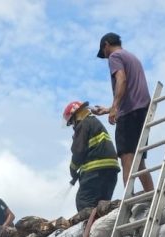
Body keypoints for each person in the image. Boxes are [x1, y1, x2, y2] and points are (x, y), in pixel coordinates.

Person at [94, 32, 153, 194]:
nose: (105, 57)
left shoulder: (115, 56)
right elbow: (131, 90)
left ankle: (129, 204)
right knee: (138, 161)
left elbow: (122, 79)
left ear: (106, 45)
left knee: (127, 159)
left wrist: (114, 108)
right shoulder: (131, 57)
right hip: (142, 111)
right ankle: (151, 194)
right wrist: (108, 108)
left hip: (129, 114)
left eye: (104, 52)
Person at [63, 100, 120, 213]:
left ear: (75, 116)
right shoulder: (95, 123)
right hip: (111, 172)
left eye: (72, 123)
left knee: (84, 202)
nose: (73, 126)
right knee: (102, 207)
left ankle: (90, 230)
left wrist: (73, 170)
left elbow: (78, 151)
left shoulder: (83, 124)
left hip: (95, 173)